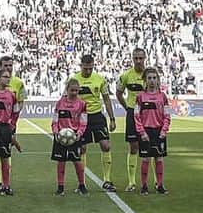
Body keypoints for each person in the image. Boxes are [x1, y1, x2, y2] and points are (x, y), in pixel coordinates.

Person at [68, 52, 117, 192]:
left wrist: (112, 119)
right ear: (81, 66)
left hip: (97, 116)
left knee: (106, 145)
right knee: (82, 148)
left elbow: (107, 99)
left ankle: (107, 180)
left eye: (91, 68)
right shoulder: (73, 80)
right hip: (80, 117)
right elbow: (67, 100)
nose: (88, 71)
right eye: (85, 68)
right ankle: (81, 183)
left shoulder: (100, 79)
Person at [133, 66, 171, 195]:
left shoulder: (163, 97)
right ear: (145, 80)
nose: (152, 80)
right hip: (146, 131)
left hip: (159, 131)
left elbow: (167, 115)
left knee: (159, 158)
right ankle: (144, 186)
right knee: (145, 159)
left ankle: (160, 185)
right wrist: (141, 132)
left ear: (158, 80)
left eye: (154, 78)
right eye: (149, 78)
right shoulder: (140, 97)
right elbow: (136, 116)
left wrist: (164, 130)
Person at [117, 48, 149, 192]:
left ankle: (153, 182)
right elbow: (119, 93)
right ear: (132, 58)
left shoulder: (150, 75)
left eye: (140, 58)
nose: (138, 61)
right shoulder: (126, 75)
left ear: (145, 58)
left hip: (148, 113)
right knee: (133, 147)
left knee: (150, 148)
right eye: (135, 58)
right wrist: (127, 108)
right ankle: (131, 182)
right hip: (132, 112)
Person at [50, 77, 88, 196]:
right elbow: (55, 120)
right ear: (67, 90)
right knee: (61, 161)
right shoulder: (60, 103)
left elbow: (83, 122)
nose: (74, 93)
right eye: (72, 90)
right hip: (61, 137)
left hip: (74, 137)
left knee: (77, 161)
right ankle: (60, 187)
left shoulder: (82, 104)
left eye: (77, 91)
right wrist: (56, 132)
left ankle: (82, 185)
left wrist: (79, 134)